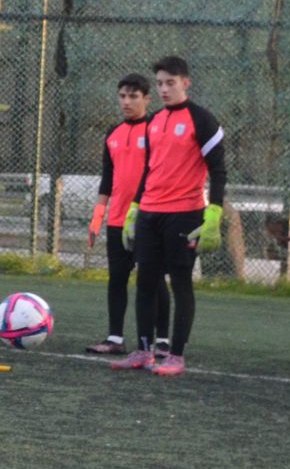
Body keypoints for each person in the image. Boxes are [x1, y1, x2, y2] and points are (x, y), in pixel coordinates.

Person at [111, 54, 228, 377]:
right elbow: (150, 169)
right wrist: (135, 208)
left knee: (180, 283)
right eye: (160, 83)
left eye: (170, 83)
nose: (164, 89)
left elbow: (218, 171)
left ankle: (175, 356)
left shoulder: (202, 120)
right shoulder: (154, 121)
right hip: (150, 214)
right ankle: (143, 351)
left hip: (184, 215)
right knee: (145, 282)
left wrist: (213, 214)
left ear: (185, 83)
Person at [83, 74, 153, 356]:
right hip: (117, 221)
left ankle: (158, 342)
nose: (126, 102)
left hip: (148, 219)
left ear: (147, 99)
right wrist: (97, 218)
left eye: (133, 96)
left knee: (151, 281)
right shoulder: (113, 133)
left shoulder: (154, 129)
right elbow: (107, 180)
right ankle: (115, 338)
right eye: (122, 96)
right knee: (117, 279)